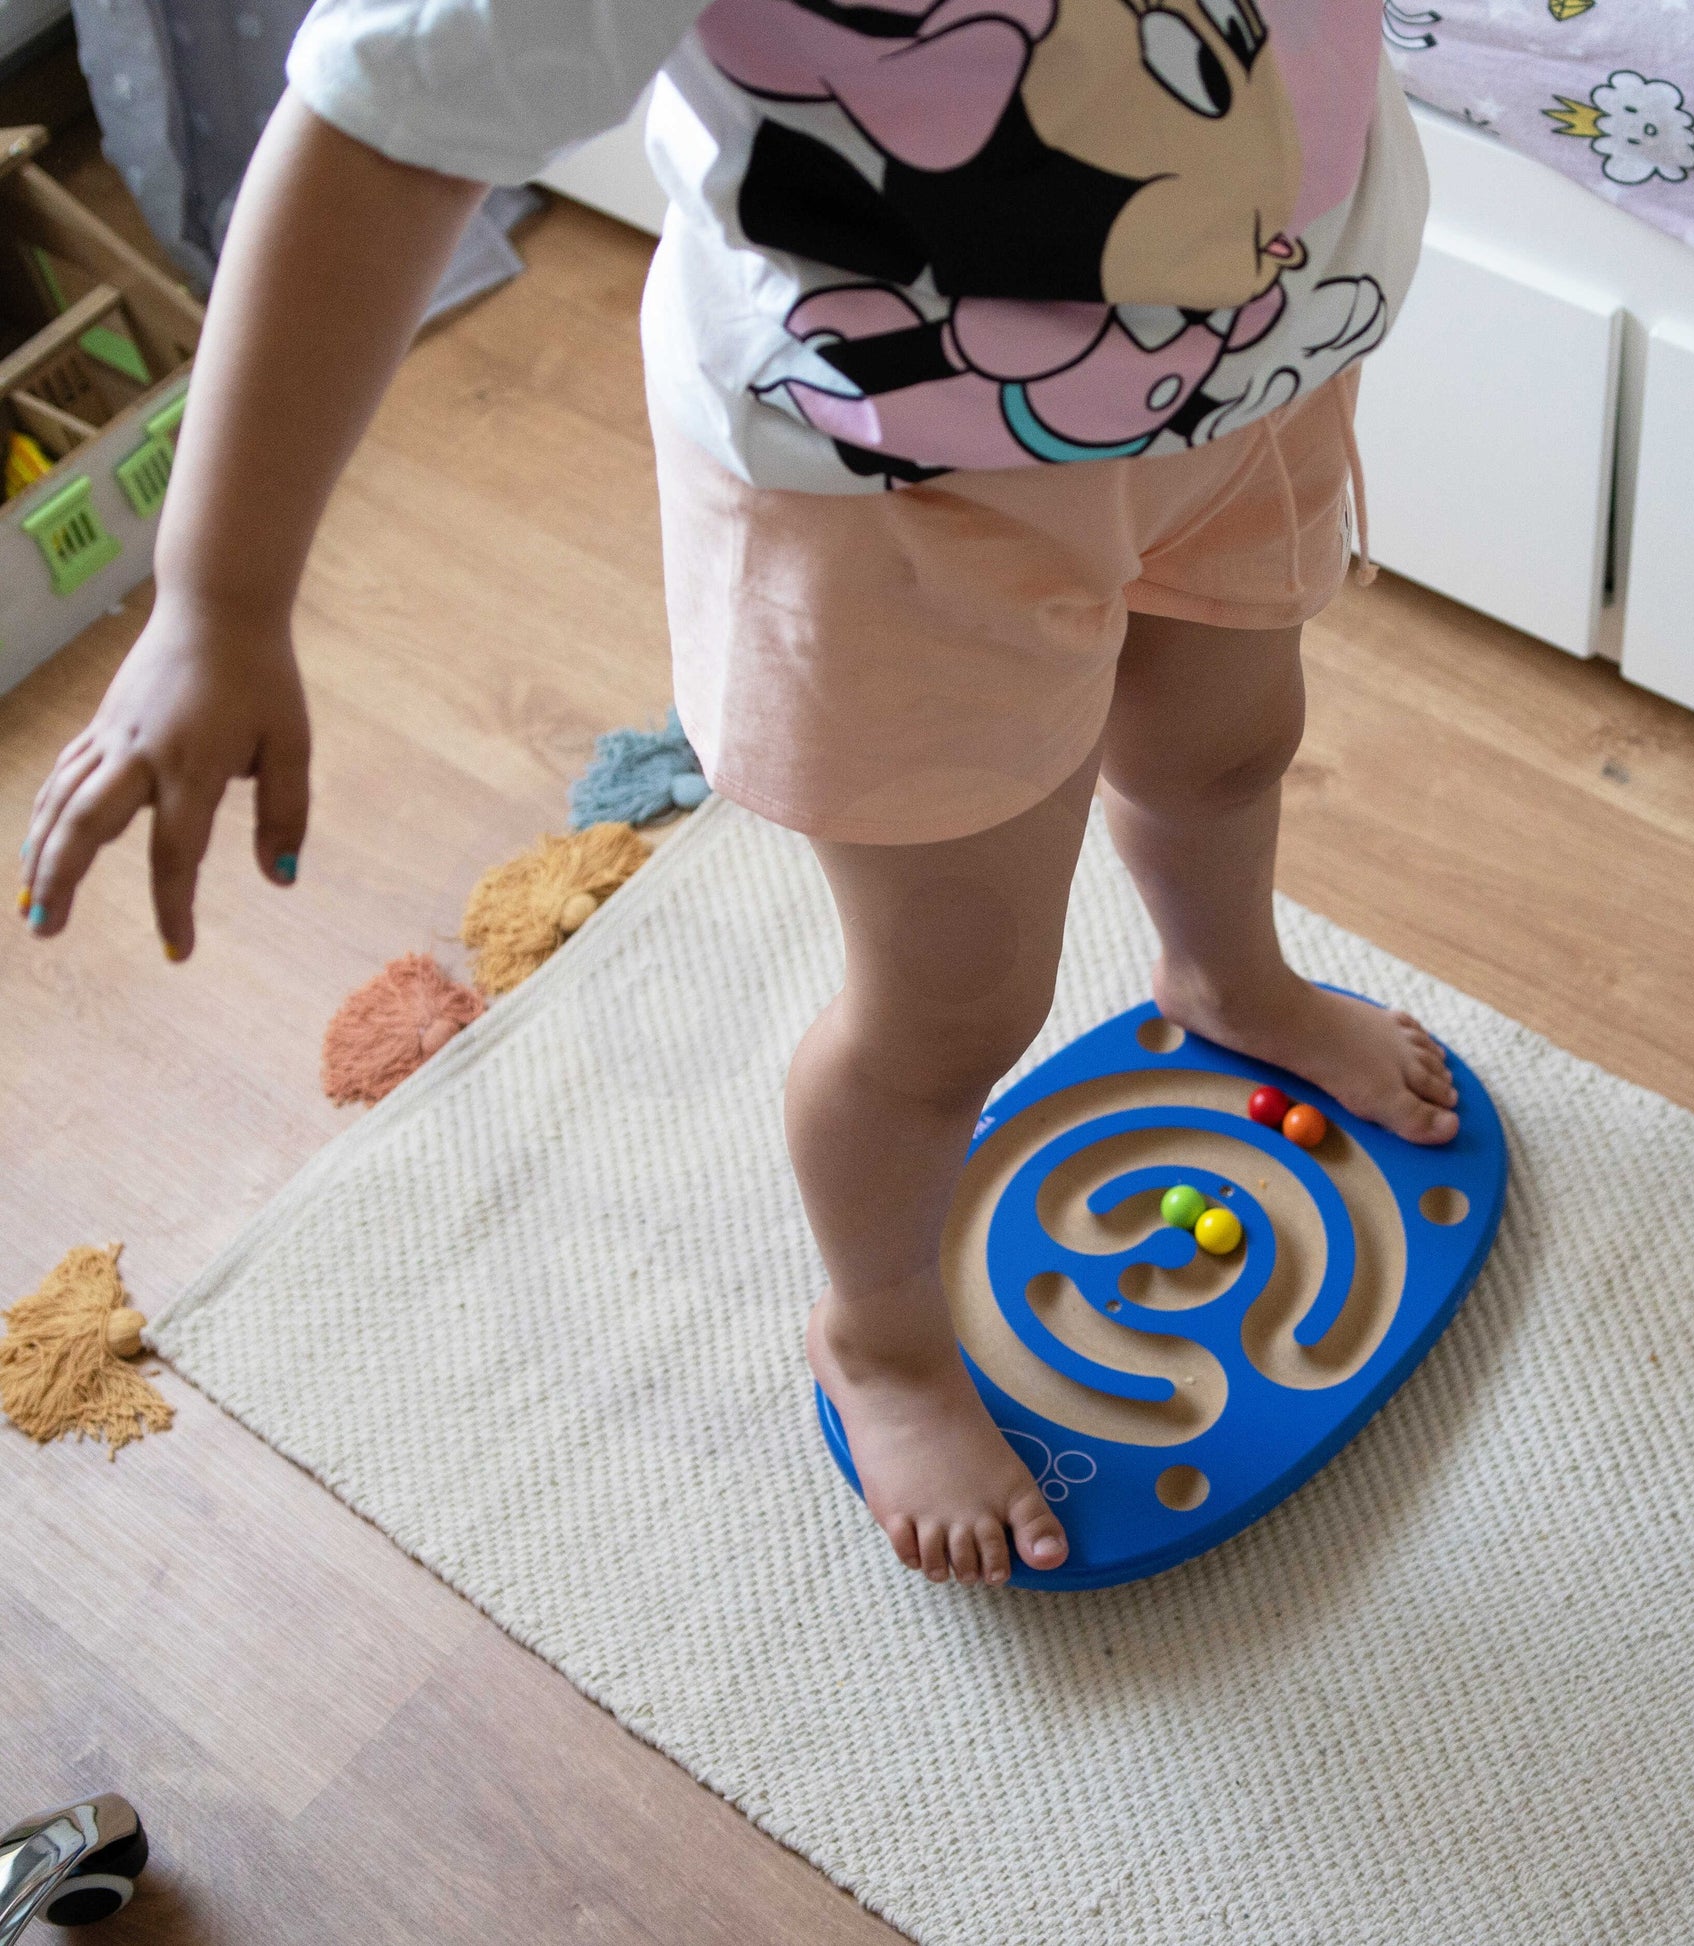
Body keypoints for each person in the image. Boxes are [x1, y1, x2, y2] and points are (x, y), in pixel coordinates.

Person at [18, 0, 1456, 1587]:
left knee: (1225, 746)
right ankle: (883, 1333)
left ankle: (1225, 976)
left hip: (1254, 370)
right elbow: (383, 120)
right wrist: (219, 596)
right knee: (953, 1006)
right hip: (890, 491)